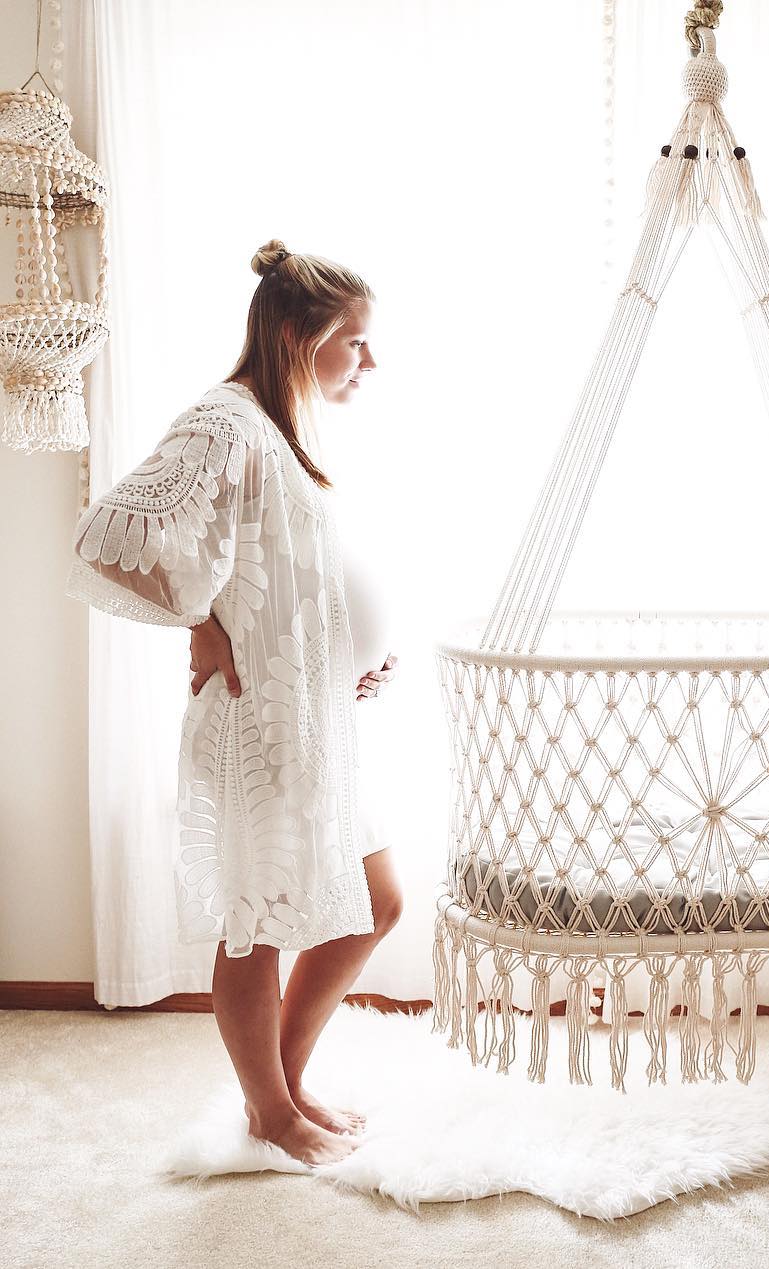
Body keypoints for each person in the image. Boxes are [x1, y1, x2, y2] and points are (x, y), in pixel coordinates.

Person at [65, 240, 402, 1167]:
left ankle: (281, 1089)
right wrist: (198, 621)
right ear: (301, 333)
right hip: (260, 725)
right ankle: (273, 1109)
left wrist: (349, 663)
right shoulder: (225, 419)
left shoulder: (275, 424)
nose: (367, 362)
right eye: (356, 342)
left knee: (376, 902)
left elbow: (284, 575)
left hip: (311, 714)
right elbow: (107, 531)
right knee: (256, 923)